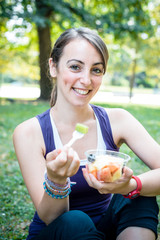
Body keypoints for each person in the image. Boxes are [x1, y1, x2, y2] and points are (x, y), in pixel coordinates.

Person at [13, 27, 160, 240]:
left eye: (96, 70)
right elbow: (51, 217)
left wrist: (131, 185)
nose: (86, 80)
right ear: (53, 67)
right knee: (76, 220)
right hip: (59, 232)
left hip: (106, 227)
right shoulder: (29, 132)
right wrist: (56, 179)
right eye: (75, 67)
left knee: (140, 194)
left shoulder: (118, 120)